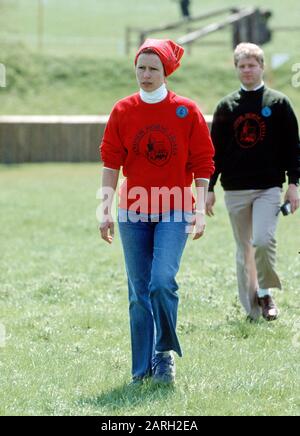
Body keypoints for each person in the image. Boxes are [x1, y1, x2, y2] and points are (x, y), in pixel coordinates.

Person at [99, 38, 215, 384]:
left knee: (162, 282)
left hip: (175, 207)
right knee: (138, 293)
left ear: (166, 72)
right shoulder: (122, 110)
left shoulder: (187, 110)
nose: (145, 75)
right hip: (132, 211)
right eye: (141, 68)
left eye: (153, 69)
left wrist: (198, 207)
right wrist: (104, 208)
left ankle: (163, 354)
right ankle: (141, 371)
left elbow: (203, 162)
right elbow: (110, 162)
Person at [206, 43, 300, 322]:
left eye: (252, 65)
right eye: (242, 66)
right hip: (234, 189)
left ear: (262, 67)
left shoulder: (278, 103)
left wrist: (294, 184)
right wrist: (208, 188)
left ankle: (266, 293)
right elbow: (215, 152)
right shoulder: (226, 106)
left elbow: (293, 147)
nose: (247, 70)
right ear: (236, 69)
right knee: (243, 248)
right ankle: (252, 311)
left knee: (262, 240)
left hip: (268, 188)